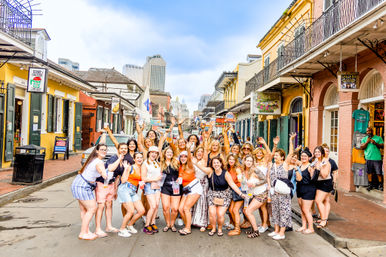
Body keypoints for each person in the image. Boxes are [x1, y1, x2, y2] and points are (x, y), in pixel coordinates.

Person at [194, 156, 245, 237]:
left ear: (221, 163)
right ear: (212, 164)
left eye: (218, 162)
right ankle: (214, 228)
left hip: (224, 195)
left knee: (220, 214)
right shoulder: (210, 171)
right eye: (214, 163)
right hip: (213, 194)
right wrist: (195, 162)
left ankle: (220, 228)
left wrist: (241, 193)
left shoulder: (226, 173)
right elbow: (202, 168)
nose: (216, 164)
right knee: (212, 213)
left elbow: (232, 184)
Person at [71, 144, 107, 240]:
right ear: (97, 151)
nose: (104, 151)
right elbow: (103, 173)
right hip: (83, 186)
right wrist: (105, 174)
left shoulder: (93, 159)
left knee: (84, 210)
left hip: (80, 183)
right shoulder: (99, 162)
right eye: (102, 150)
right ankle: (83, 233)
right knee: (92, 209)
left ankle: (86, 231)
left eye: (105, 150)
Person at [94, 143, 129, 237]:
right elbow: (110, 168)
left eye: (125, 148)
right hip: (102, 184)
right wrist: (119, 159)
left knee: (109, 204)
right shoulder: (114, 158)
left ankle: (108, 226)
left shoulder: (124, 161)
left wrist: (115, 190)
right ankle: (97, 228)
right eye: (122, 148)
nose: (123, 150)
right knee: (101, 206)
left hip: (111, 184)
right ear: (118, 149)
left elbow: (118, 177)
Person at [267, 136, 293, 240]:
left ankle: (282, 233)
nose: (275, 157)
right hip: (274, 191)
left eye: (277, 155)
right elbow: (268, 176)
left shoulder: (285, 164)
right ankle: (276, 230)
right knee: (275, 211)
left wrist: (290, 140)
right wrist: (269, 186)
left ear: (282, 157)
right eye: (275, 156)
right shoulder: (272, 165)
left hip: (283, 192)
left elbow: (291, 153)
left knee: (283, 211)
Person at [116, 152, 146, 237]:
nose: (140, 159)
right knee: (131, 211)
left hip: (133, 191)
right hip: (125, 189)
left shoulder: (141, 168)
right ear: (134, 159)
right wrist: (125, 169)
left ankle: (129, 225)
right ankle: (122, 229)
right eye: (138, 158)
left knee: (141, 211)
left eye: (141, 157)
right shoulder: (130, 167)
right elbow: (123, 180)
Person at [178, 143, 203, 235]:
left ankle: (187, 228)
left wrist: (188, 149)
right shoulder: (180, 166)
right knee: (180, 209)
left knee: (186, 208)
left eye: (185, 156)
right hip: (186, 189)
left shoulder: (190, 165)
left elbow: (189, 158)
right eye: (181, 157)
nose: (183, 158)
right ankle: (187, 224)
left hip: (195, 188)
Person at [242, 154, 268, 238]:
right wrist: (248, 196)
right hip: (255, 194)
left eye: (251, 161)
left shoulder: (255, 170)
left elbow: (264, 180)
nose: (249, 162)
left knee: (248, 211)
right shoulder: (244, 171)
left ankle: (256, 231)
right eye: (247, 160)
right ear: (244, 161)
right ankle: (254, 229)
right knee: (246, 210)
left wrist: (255, 184)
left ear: (253, 162)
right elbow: (248, 187)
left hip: (262, 194)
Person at [159, 146, 181, 232]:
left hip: (175, 187)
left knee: (175, 208)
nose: (169, 154)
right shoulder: (161, 163)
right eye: (167, 152)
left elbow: (182, 172)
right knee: (165, 207)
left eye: (171, 152)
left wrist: (180, 178)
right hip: (165, 186)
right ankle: (168, 224)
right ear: (164, 153)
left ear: (173, 154)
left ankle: (172, 224)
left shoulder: (176, 162)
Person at [141, 146, 162, 235]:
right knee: (152, 206)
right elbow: (143, 178)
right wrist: (155, 178)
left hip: (157, 186)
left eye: (156, 153)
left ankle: (153, 223)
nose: (154, 154)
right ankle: (146, 226)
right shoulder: (145, 164)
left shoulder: (157, 163)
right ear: (149, 153)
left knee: (156, 205)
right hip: (149, 186)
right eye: (152, 152)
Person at [296, 147, 317, 234]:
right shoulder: (300, 165)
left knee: (306, 209)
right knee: (302, 209)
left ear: (309, 157)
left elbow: (313, 178)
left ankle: (311, 228)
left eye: (305, 156)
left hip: (308, 189)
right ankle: (304, 226)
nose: (303, 157)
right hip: (300, 189)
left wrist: (313, 170)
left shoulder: (310, 166)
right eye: (302, 156)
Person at [191, 146, 210, 232]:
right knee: (193, 203)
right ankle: (193, 221)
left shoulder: (204, 161)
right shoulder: (192, 160)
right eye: (198, 151)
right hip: (194, 183)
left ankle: (203, 223)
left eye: (201, 151)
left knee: (203, 203)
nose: (199, 153)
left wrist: (205, 138)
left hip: (203, 183)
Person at [313, 146, 332, 229]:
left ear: (322, 153)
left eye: (318, 152)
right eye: (315, 152)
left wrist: (318, 168)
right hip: (319, 183)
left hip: (325, 183)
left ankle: (323, 220)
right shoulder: (316, 161)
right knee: (324, 201)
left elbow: (324, 175)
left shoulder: (325, 162)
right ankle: (324, 219)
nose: (317, 153)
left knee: (318, 200)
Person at [360, 127, 384, 191]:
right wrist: (367, 142)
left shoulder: (378, 138)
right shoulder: (364, 139)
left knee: (378, 172)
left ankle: (380, 185)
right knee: (369, 172)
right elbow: (362, 147)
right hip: (368, 158)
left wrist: (375, 143)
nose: (369, 132)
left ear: (372, 131)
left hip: (377, 158)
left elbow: (382, 146)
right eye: (367, 131)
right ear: (366, 132)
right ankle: (370, 184)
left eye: (370, 131)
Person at [226, 154, 244, 236]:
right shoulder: (228, 168)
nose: (231, 161)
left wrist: (240, 176)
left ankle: (237, 229)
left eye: (233, 159)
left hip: (239, 190)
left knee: (235, 210)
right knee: (230, 210)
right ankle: (235, 225)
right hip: (233, 191)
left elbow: (241, 180)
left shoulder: (237, 169)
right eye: (230, 159)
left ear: (236, 160)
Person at [321, 143, 339, 222]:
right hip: (318, 183)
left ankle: (325, 217)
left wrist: (334, 182)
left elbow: (335, 172)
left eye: (327, 151)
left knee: (326, 200)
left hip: (328, 182)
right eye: (324, 151)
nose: (326, 152)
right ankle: (322, 214)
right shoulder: (318, 160)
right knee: (320, 200)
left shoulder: (332, 161)